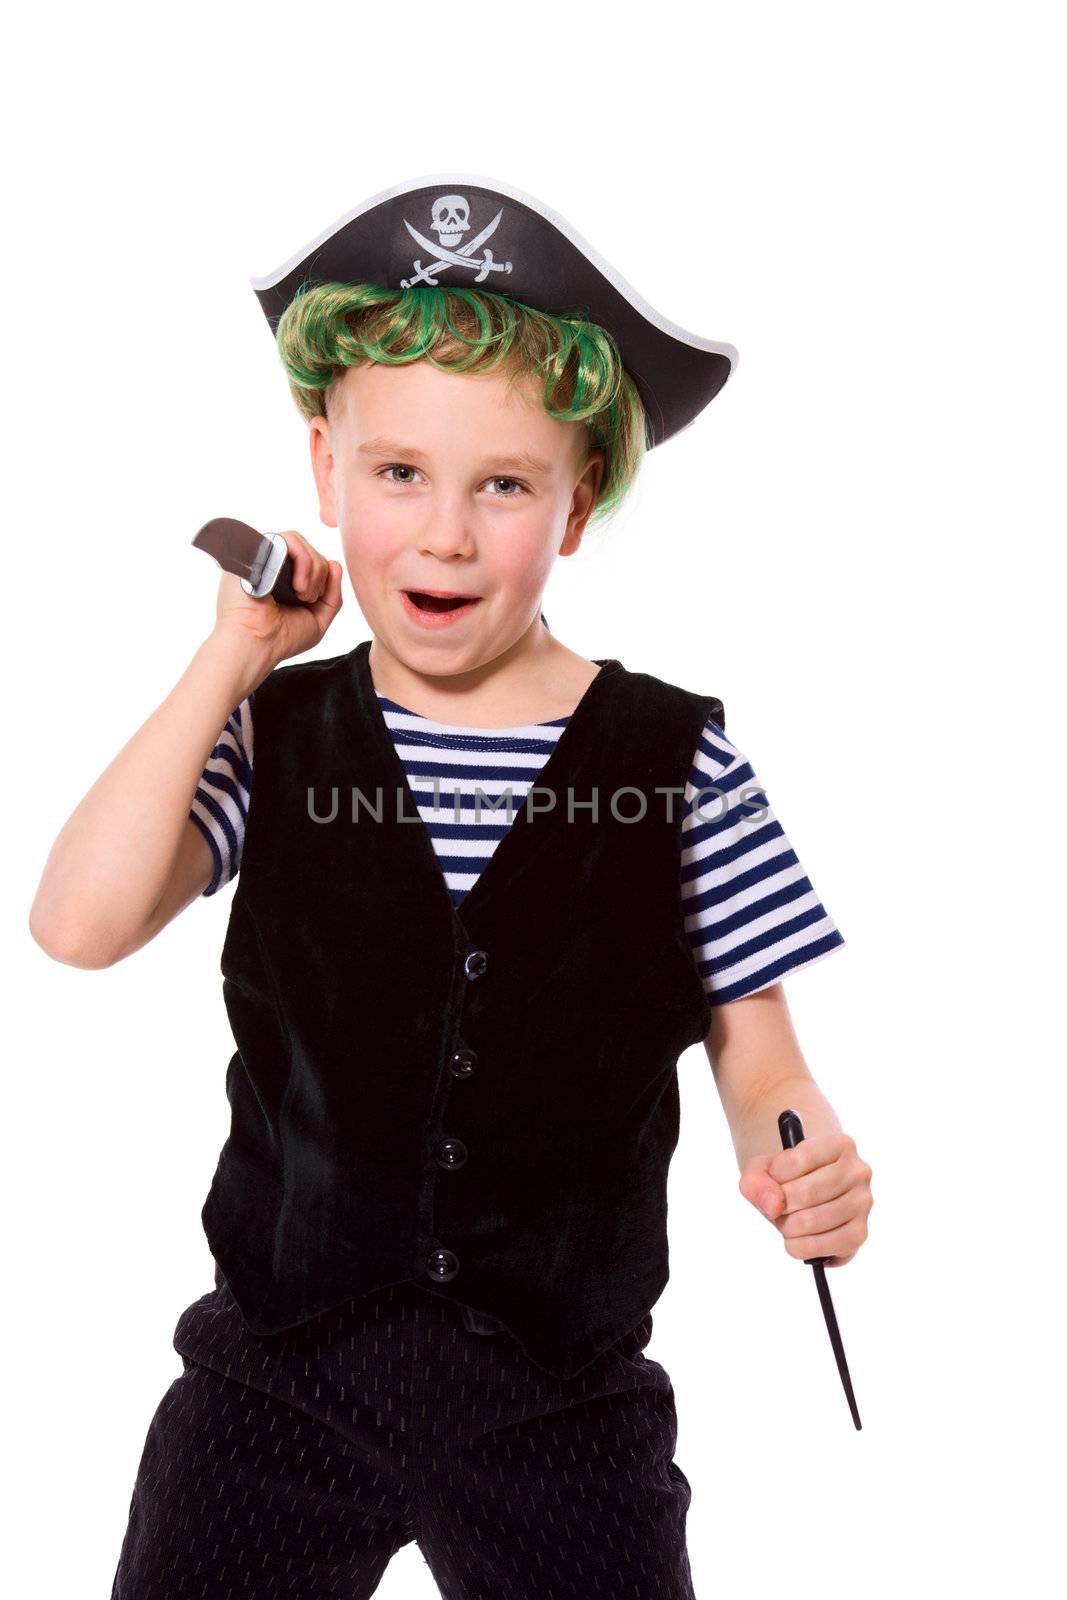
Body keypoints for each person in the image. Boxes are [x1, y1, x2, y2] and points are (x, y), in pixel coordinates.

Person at [30, 174, 874, 1599]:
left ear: (577, 501)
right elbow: (76, 923)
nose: (442, 534)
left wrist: (805, 1152)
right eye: (398, 474)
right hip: (278, 1383)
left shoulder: (677, 763)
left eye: (503, 485)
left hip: (561, 1397)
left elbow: (764, 1060)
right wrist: (231, 660)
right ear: (324, 475)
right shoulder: (274, 737)